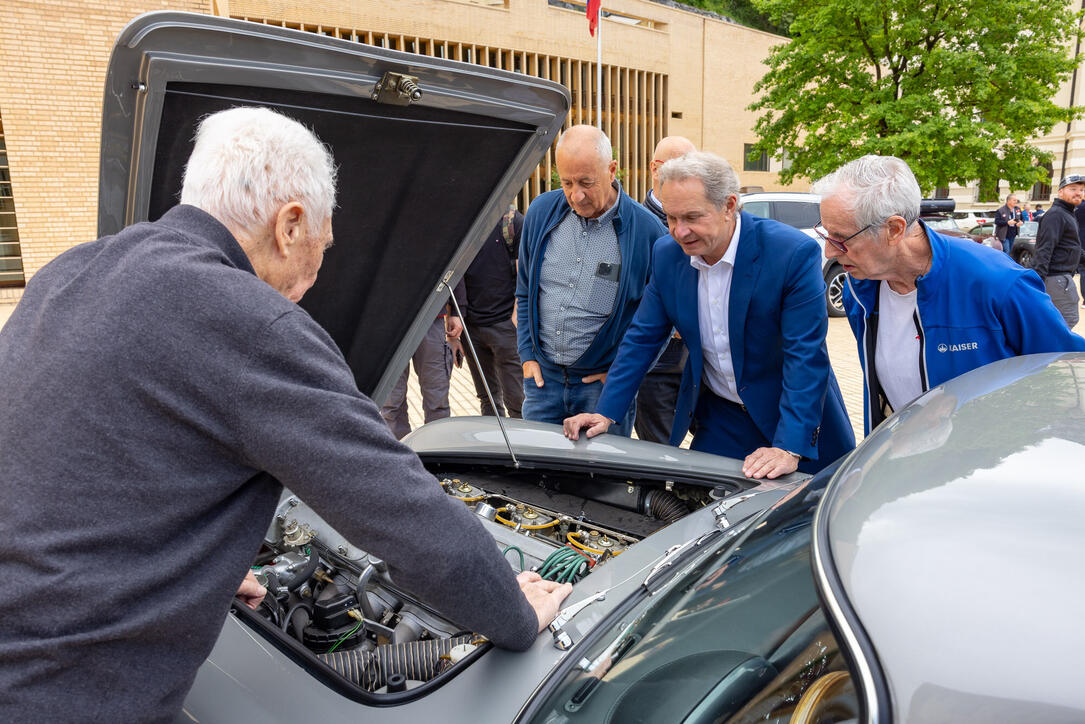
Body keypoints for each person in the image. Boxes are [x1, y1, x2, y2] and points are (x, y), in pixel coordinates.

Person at [0, 107, 570, 722]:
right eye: (322, 252)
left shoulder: (72, 270)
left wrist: (202, 569)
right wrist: (514, 612)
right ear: (291, 224)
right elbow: (406, 517)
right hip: (70, 693)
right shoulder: (249, 322)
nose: (312, 281)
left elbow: (80, 452)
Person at [563, 152, 855, 480]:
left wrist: (789, 447)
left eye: (692, 217)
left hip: (796, 419)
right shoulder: (667, 255)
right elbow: (642, 337)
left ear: (729, 206)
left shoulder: (791, 253)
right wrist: (607, 412)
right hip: (723, 419)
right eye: (672, 218)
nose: (679, 231)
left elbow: (805, 356)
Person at [813, 155, 1085, 434]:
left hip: (986, 468)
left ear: (894, 229)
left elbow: (1068, 372)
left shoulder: (998, 283)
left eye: (841, 238)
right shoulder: (859, 289)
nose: (830, 252)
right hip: (903, 465)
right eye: (826, 235)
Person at [516, 125, 666, 435]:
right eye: (567, 182)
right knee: (535, 476)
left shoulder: (648, 232)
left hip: (603, 389)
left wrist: (624, 376)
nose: (576, 195)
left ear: (611, 170)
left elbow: (663, 319)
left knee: (600, 479)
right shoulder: (541, 211)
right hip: (543, 383)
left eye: (586, 182)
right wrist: (527, 355)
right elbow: (524, 290)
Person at [636, 135, 696, 443]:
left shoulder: (704, 219)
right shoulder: (634, 223)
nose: (675, 176)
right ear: (653, 169)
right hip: (656, 367)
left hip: (699, 363)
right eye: (668, 167)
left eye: (685, 168)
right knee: (658, 453)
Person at [459, 205, 525, 417]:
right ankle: (495, 448)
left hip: (505, 325)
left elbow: (527, 272)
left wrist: (515, 319)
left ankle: (521, 446)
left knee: (517, 398)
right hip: (471, 327)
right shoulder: (461, 225)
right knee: (487, 399)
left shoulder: (511, 222)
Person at [380, 291, 465, 438]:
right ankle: (399, 456)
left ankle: (439, 456)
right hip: (387, 319)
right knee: (391, 404)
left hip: (431, 316)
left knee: (437, 400)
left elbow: (455, 270)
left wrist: (457, 311)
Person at [1034, 175, 1085, 327]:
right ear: (1060, 192)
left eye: (1082, 190)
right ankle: (1049, 350)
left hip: (1062, 278)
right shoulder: (1057, 214)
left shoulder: (1068, 213)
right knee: (1066, 321)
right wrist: (1037, 282)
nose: (1078, 193)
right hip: (1057, 278)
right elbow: (1044, 249)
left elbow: (1071, 248)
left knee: (1059, 322)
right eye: (1073, 189)